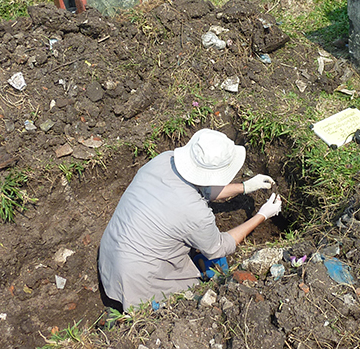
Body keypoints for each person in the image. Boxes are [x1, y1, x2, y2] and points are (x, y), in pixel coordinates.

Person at [98, 128, 282, 310]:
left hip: (109, 256)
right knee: (193, 294)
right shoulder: (196, 213)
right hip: (135, 280)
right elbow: (218, 247)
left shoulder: (164, 160)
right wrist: (262, 215)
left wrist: (245, 186)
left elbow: (201, 187)